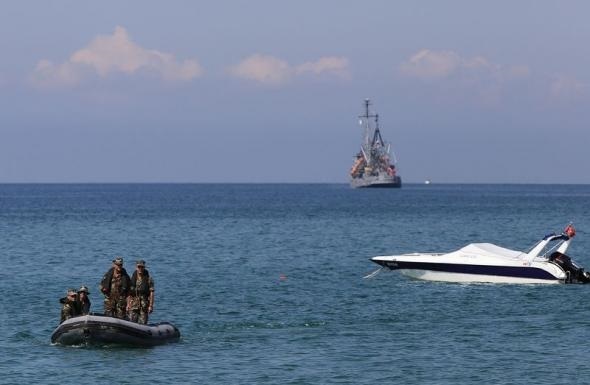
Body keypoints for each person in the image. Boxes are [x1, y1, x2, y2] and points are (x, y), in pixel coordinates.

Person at [127, 259, 155, 324]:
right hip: (134, 304)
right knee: (132, 322)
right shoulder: (132, 278)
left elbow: (152, 292)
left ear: (144, 268)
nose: (140, 269)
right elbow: (129, 292)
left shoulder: (149, 279)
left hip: (144, 305)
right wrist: (128, 304)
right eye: (139, 267)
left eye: (142, 267)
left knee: (143, 323)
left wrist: (151, 306)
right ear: (136, 267)